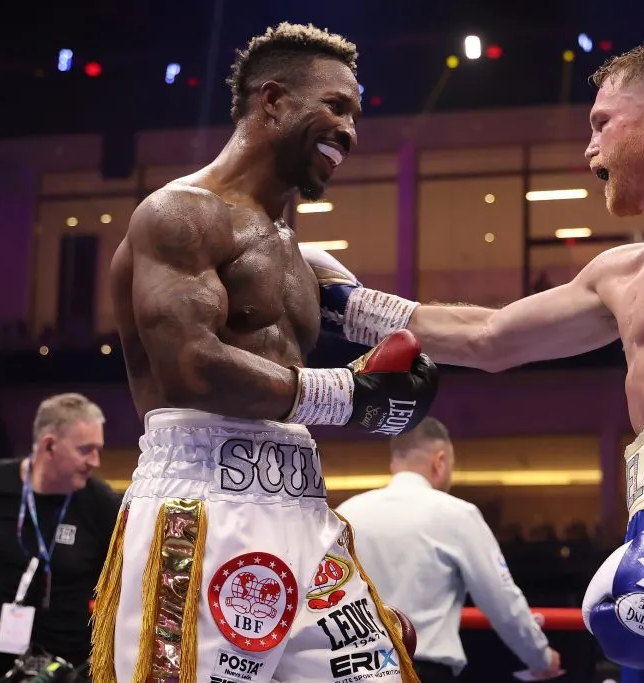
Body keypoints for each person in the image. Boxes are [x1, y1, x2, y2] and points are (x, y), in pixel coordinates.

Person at [302, 39, 644, 683]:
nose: (590, 149)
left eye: (602, 124)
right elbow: (491, 337)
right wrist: (350, 306)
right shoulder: (624, 270)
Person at [94, 22, 439, 683]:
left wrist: (383, 383)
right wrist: (348, 395)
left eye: (356, 114)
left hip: (302, 501)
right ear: (274, 100)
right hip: (201, 505)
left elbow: (447, 331)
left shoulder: (299, 252)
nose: (350, 131)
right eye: (336, 106)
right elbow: (191, 366)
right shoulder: (180, 214)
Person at [335, 418, 562, 682]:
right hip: (423, 671)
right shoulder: (456, 515)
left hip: (350, 671)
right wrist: (540, 656)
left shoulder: (346, 514)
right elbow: (501, 600)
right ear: (440, 461)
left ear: (394, 463)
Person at [0, 393, 120, 683]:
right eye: (86, 450)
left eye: (97, 450)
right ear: (49, 445)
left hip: (65, 670)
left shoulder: (101, 504)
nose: (95, 461)